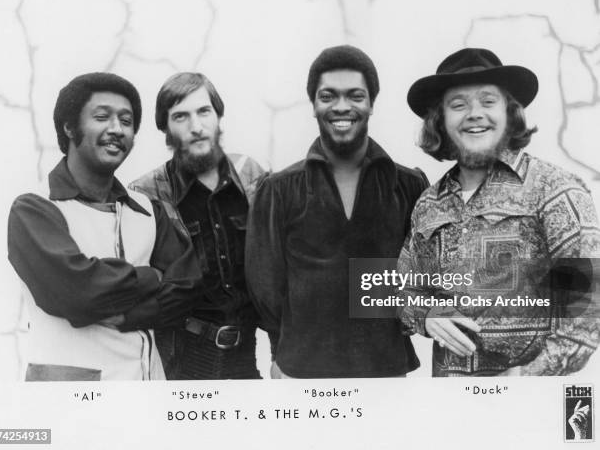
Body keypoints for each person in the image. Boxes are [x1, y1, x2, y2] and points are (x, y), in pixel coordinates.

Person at [400, 47, 600, 376]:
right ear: (441, 120)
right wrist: (426, 314)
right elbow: (405, 291)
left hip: (528, 408)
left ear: (509, 113)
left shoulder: (556, 191)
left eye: (488, 101)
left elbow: (585, 315)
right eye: (458, 104)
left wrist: (523, 379)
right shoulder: (428, 204)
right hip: (449, 406)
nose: (474, 113)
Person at [246, 45, 429, 378]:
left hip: (386, 373)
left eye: (355, 96)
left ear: (371, 103)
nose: (342, 107)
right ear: (314, 105)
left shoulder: (409, 185)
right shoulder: (278, 190)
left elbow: (422, 275)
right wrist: (281, 351)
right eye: (328, 96)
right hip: (301, 372)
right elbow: (266, 289)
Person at [8, 72, 202, 381]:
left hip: (146, 397)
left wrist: (130, 316)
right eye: (102, 117)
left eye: (126, 121)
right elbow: (78, 292)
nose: (117, 129)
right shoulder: (34, 208)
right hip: (69, 402)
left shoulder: (148, 210)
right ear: (69, 127)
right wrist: (152, 275)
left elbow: (188, 288)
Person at [130, 72, 266, 379]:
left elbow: (276, 272)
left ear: (218, 116)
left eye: (204, 111)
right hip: (179, 360)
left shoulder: (252, 177)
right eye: (180, 116)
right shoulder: (145, 195)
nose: (196, 126)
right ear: (165, 128)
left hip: (246, 356)